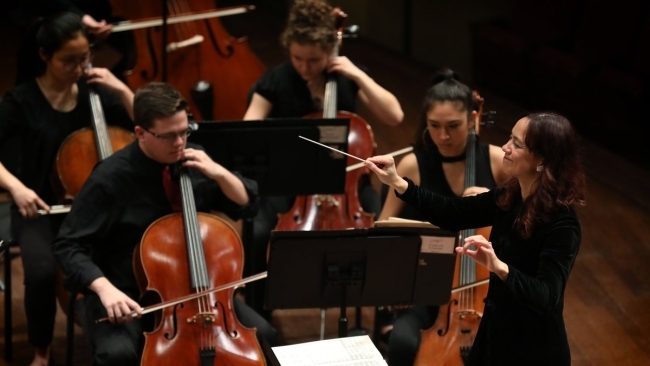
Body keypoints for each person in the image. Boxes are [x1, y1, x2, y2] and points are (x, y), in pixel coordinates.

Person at [52, 82, 279, 366]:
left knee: (266, 336)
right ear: (141, 134)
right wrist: (104, 289)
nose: (179, 143)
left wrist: (219, 173)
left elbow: (246, 202)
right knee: (118, 355)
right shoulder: (110, 179)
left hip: (197, 291)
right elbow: (68, 244)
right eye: (168, 136)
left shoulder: (193, 159)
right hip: (124, 292)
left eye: (185, 132)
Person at [365, 112, 585, 365]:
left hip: (533, 349)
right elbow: (451, 212)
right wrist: (397, 181)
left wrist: (498, 266)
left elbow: (548, 296)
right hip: (495, 335)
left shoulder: (563, 223)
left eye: (517, 144)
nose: (505, 147)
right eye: (509, 139)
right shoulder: (508, 197)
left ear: (543, 160)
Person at [242, 0, 404, 318]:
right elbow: (249, 132)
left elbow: (395, 115)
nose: (304, 67)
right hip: (290, 184)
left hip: (346, 183)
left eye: (314, 59)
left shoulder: (346, 76)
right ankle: (259, 313)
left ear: (330, 50)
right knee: (259, 231)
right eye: (297, 58)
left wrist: (356, 74)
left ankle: (386, 318)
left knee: (385, 227)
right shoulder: (275, 80)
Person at [0, 11, 134, 366]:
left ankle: (117, 339)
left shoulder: (97, 94)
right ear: (44, 55)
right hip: (39, 208)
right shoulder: (21, 101)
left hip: (90, 211)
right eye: (69, 61)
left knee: (124, 261)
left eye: (85, 58)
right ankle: (42, 352)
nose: (79, 68)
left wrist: (120, 88)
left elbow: (147, 126)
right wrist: (16, 188)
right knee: (42, 272)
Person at [377, 68, 509, 365]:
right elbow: (384, 231)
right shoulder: (412, 164)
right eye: (434, 125)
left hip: (486, 288)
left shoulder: (498, 160)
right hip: (428, 288)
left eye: (453, 126)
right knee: (401, 341)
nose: (443, 136)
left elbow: (531, 219)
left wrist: (497, 208)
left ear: (473, 119)